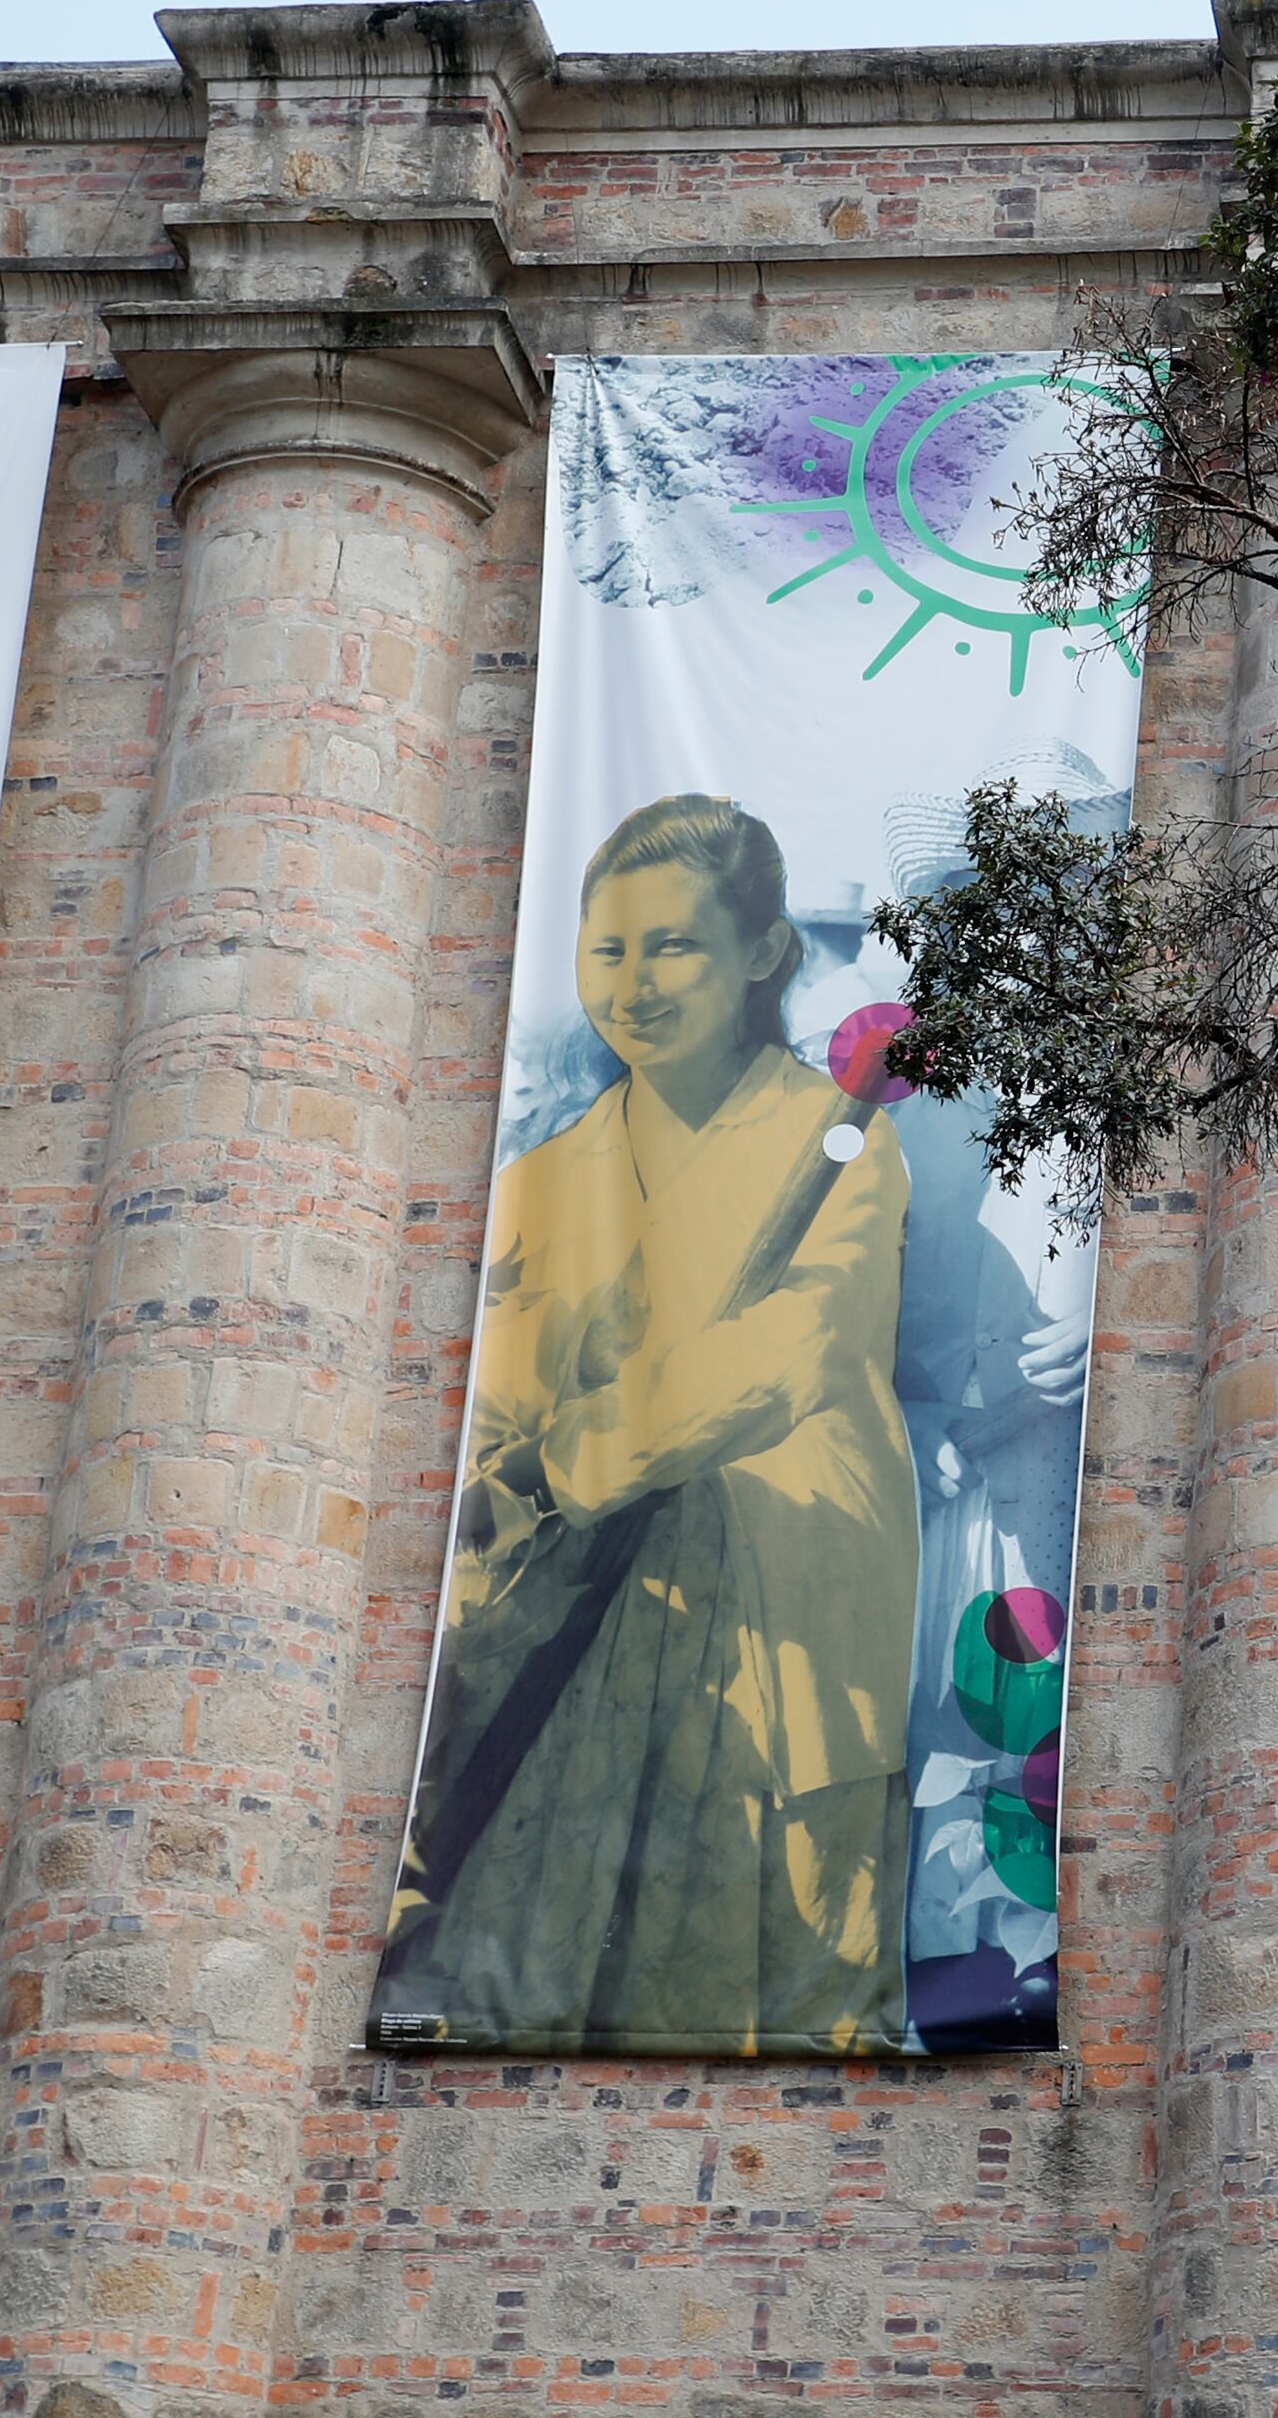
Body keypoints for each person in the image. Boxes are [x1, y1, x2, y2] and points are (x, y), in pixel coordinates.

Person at [378, 794, 918, 2054]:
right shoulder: (545, 1181)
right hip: (577, 1625)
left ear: (763, 954)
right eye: (608, 948)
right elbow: (495, 1388)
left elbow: (795, 1349)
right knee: (542, 1958)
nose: (636, 983)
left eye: (673, 945)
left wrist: (585, 1453)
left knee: (780, 1985)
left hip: (783, 1603)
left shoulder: (834, 1139)